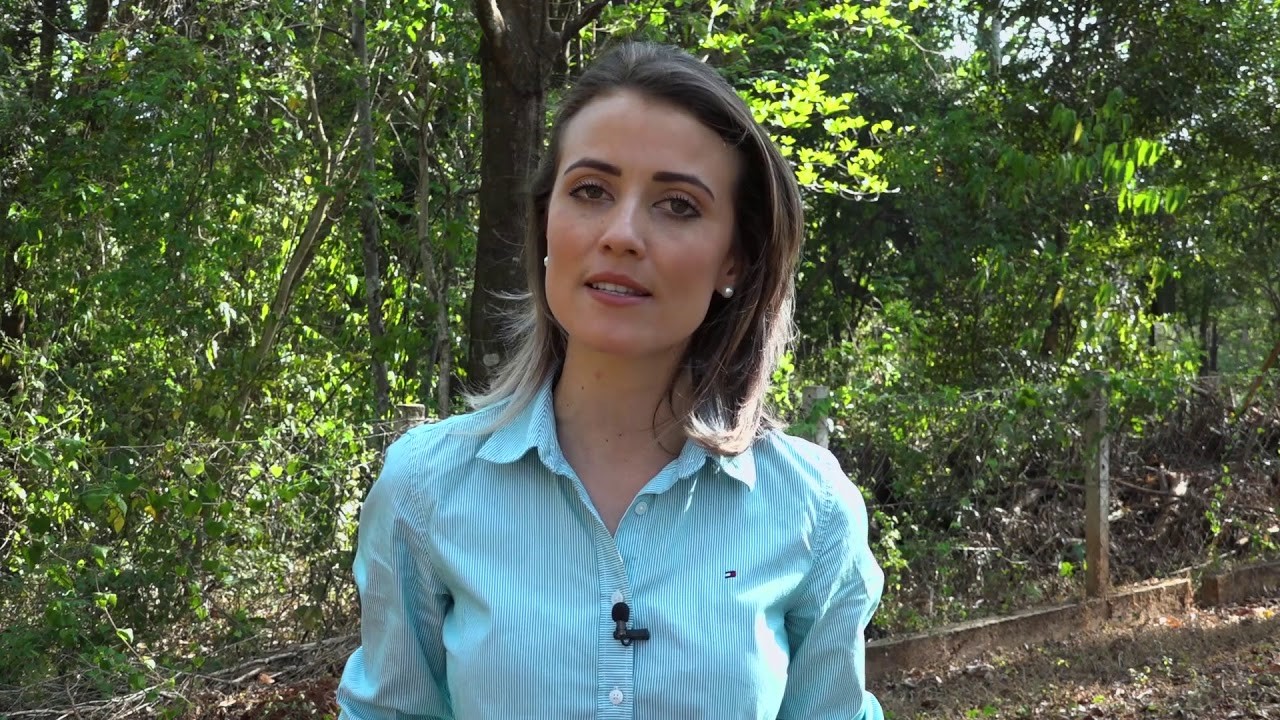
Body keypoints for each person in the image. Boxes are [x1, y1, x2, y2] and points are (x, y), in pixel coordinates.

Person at [336, 41, 885, 719]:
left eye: (678, 205)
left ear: (735, 259)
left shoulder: (812, 510)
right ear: (546, 223)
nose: (622, 234)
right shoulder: (426, 488)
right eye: (591, 191)